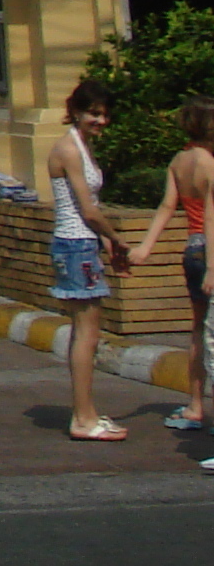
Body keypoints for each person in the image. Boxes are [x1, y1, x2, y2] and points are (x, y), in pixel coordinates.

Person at [126, 94, 214, 442]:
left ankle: (194, 405)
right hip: (209, 252)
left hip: (191, 250)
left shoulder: (179, 161)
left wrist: (145, 248)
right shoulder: (209, 163)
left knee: (197, 331)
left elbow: (166, 206)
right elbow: (211, 216)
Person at [48, 78, 133, 441]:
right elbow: (88, 210)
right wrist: (116, 238)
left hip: (83, 243)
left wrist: (105, 241)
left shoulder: (81, 147)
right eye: (94, 114)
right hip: (75, 245)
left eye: (104, 115)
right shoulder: (68, 149)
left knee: (86, 333)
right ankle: (83, 419)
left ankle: (87, 412)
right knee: (87, 335)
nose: (101, 121)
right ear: (76, 111)